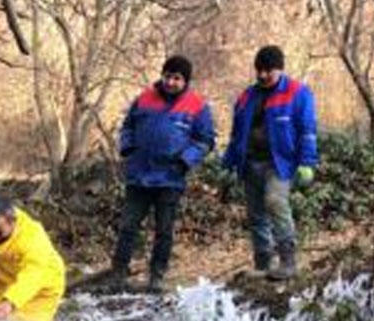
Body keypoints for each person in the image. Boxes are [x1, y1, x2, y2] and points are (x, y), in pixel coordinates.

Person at [107, 55, 216, 293]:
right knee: (128, 226)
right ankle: (118, 273)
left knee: (164, 230)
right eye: (167, 76)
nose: (170, 82)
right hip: (139, 175)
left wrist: (186, 161)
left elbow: (206, 140)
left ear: (185, 81)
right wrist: (127, 146)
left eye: (177, 78)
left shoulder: (197, 106)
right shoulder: (144, 98)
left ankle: (157, 275)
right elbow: (128, 126)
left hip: (171, 178)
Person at [223, 45, 318, 280]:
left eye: (268, 71)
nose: (263, 75)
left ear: (279, 69)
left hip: (280, 163)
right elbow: (237, 134)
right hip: (250, 162)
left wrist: (307, 162)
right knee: (256, 215)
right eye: (259, 70)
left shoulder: (298, 93)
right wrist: (228, 163)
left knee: (275, 201)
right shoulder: (247, 96)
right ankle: (264, 264)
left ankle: (288, 260)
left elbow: (307, 130)